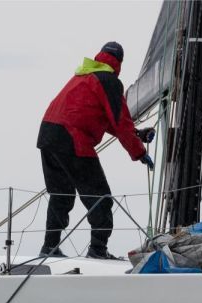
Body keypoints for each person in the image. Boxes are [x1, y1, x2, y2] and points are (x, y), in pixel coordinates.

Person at [37, 41, 154, 260]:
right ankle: (98, 250)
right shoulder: (109, 81)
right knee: (100, 198)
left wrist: (136, 134)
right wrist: (139, 153)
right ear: (119, 63)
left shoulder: (83, 75)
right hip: (72, 138)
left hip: (47, 135)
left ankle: (49, 247)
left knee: (61, 195)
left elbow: (98, 117)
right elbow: (120, 122)